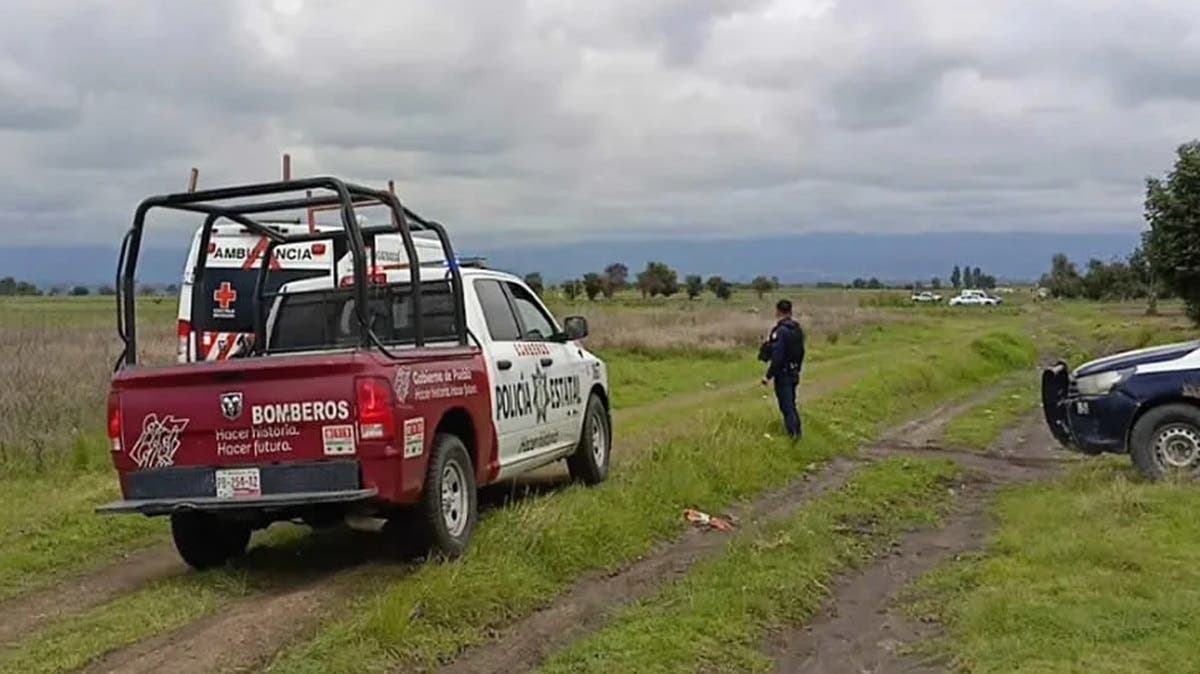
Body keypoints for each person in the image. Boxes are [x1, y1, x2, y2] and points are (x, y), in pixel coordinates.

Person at [760, 299, 805, 440]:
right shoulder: (797, 329)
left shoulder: (780, 331)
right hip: (794, 371)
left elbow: (778, 357)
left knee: (786, 406)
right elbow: (801, 351)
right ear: (790, 311)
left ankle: (793, 437)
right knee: (792, 403)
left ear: (778, 311)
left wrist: (768, 376)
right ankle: (798, 433)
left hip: (784, 373)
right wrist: (797, 368)